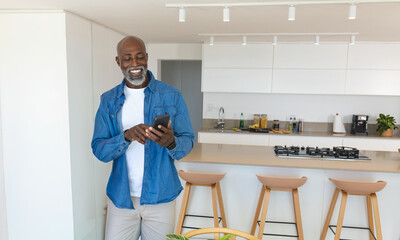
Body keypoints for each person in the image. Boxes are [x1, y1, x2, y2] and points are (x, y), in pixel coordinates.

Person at [91, 36, 194, 240]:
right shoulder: (108, 100)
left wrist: (172, 142)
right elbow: (99, 150)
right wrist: (126, 137)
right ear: (118, 62)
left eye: (139, 57)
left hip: (161, 197)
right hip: (121, 199)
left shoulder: (172, 95)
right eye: (127, 58)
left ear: (147, 58)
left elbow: (188, 141)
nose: (135, 64)